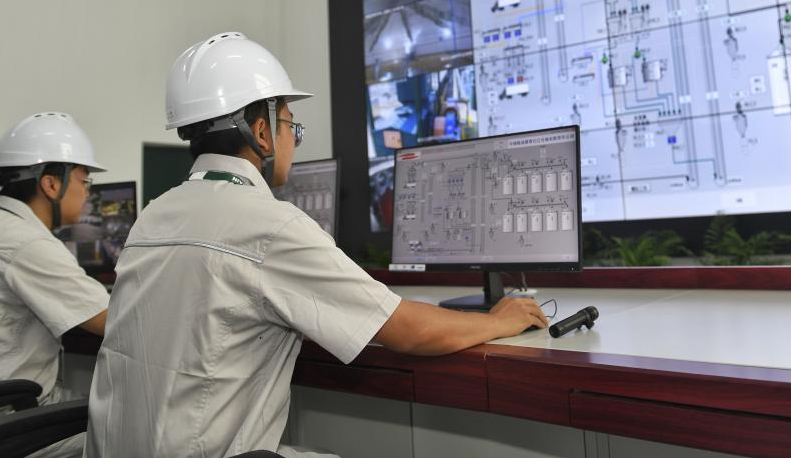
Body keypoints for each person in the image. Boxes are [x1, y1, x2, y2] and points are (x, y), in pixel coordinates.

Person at [86, 32, 546, 458]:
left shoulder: (153, 216)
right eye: (292, 125)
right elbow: (407, 331)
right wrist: (496, 320)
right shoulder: (270, 225)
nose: (294, 140)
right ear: (261, 132)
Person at [0, 112, 111, 458]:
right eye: (84, 181)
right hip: (8, 419)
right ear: (51, 185)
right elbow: (111, 320)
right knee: (129, 426)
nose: (87, 193)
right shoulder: (27, 243)